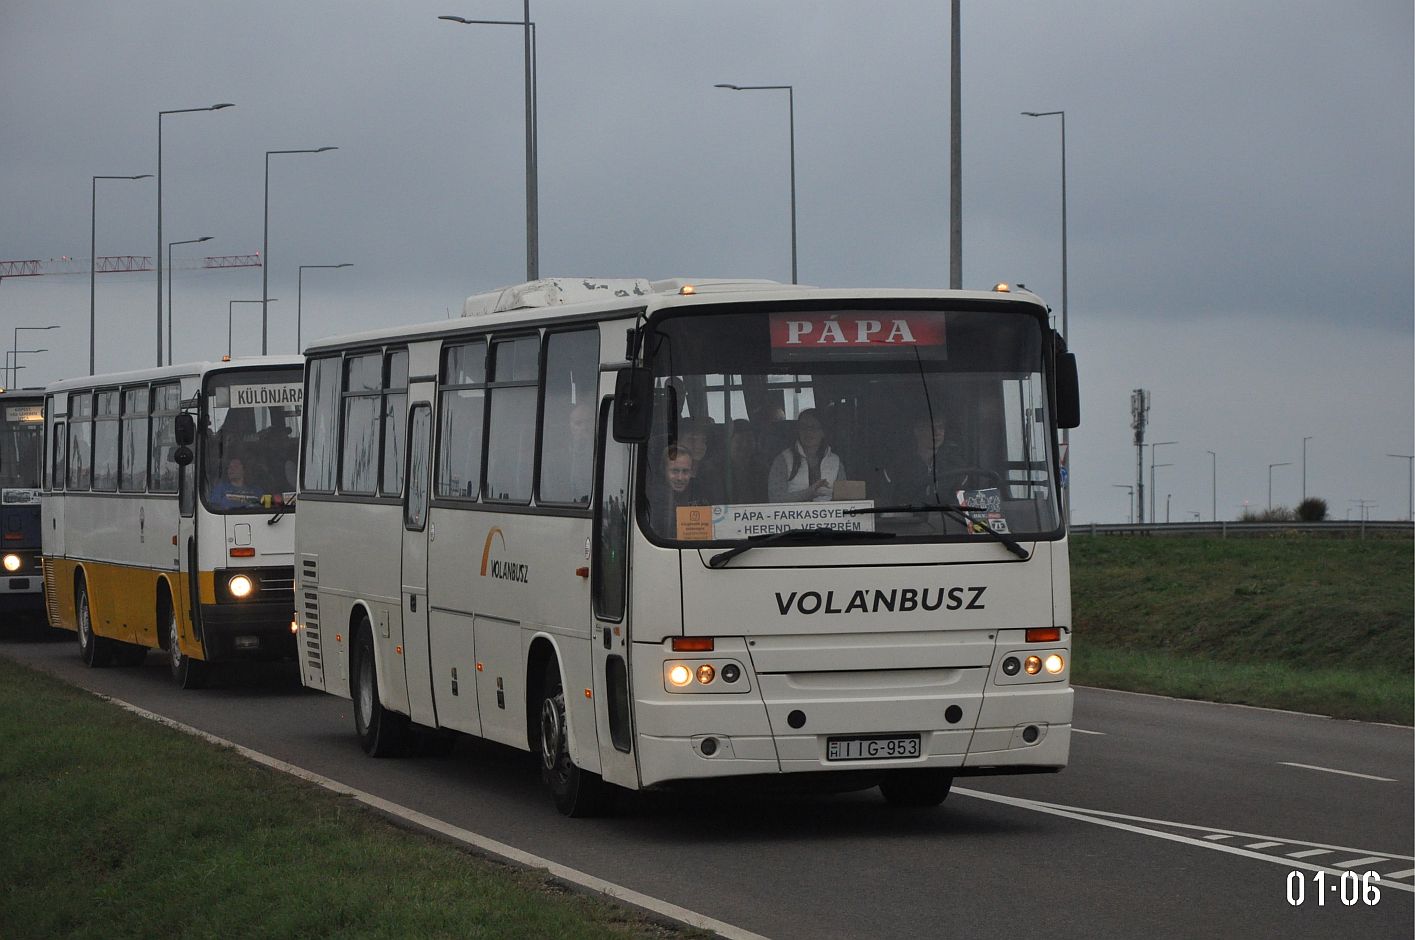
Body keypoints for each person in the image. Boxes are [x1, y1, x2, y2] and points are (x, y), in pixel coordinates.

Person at [885, 412, 967, 505]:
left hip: (948, 519)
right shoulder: (898, 466)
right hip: (908, 519)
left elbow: (965, 504)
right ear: (917, 431)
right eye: (931, 427)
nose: (936, 432)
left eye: (940, 427)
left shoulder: (957, 466)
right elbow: (886, 501)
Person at [767, 408, 847, 502]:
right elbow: (775, 498)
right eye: (804, 427)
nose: (808, 432)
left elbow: (844, 498)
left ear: (823, 432)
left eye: (814, 427)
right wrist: (809, 493)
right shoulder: (783, 460)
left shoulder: (835, 462)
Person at [650, 444, 706, 534]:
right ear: (664, 470)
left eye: (685, 471)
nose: (680, 477)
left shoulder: (699, 491)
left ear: (691, 471)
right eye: (675, 471)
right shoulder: (655, 499)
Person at [725, 419, 767, 503]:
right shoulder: (715, 470)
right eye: (739, 441)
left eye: (749, 440)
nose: (744, 445)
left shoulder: (762, 469)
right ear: (728, 443)